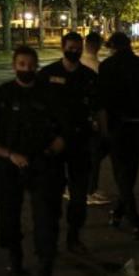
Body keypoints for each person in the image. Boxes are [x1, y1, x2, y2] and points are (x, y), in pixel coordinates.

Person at [0, 46, 66, 276]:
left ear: (36, 66)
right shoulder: (3, 94)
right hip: (10, 165)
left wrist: (60, 141)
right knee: (9, 217)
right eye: (21, 64)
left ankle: (45, 262)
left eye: (30, 65)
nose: (26, 69)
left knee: (46, 216)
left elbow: (63, 123)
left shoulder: (49, 93)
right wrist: (9, 155)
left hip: (43, 163)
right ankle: (15, 261)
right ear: (15, 65)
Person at [38, 32, 99, 255]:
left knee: (79, 195)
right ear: (63, 47)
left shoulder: (89, 77)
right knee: (51, 195)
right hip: (53, 146)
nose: (74, 52)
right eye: (70, 47)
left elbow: (97, 108)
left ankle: (74, 236)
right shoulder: (47, 75)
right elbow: (39, 111)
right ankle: (51, 237)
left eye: (77, 48)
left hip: (80, 144)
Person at [98, 32, 139, 240]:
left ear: (113, 47)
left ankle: (134, 220)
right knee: (130, 172)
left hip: (117, 126)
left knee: (121, 174)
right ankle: (119, 212)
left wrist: (103, 129)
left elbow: (102, 102)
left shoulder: (106, 67)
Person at [82, 33, 111, 206]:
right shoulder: (98, 66)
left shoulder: (80, 63)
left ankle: (78, 186)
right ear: (99, 45)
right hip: (93, 117)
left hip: (79, 117)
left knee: (84, 154)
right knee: (95, 153)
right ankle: (89, 189)